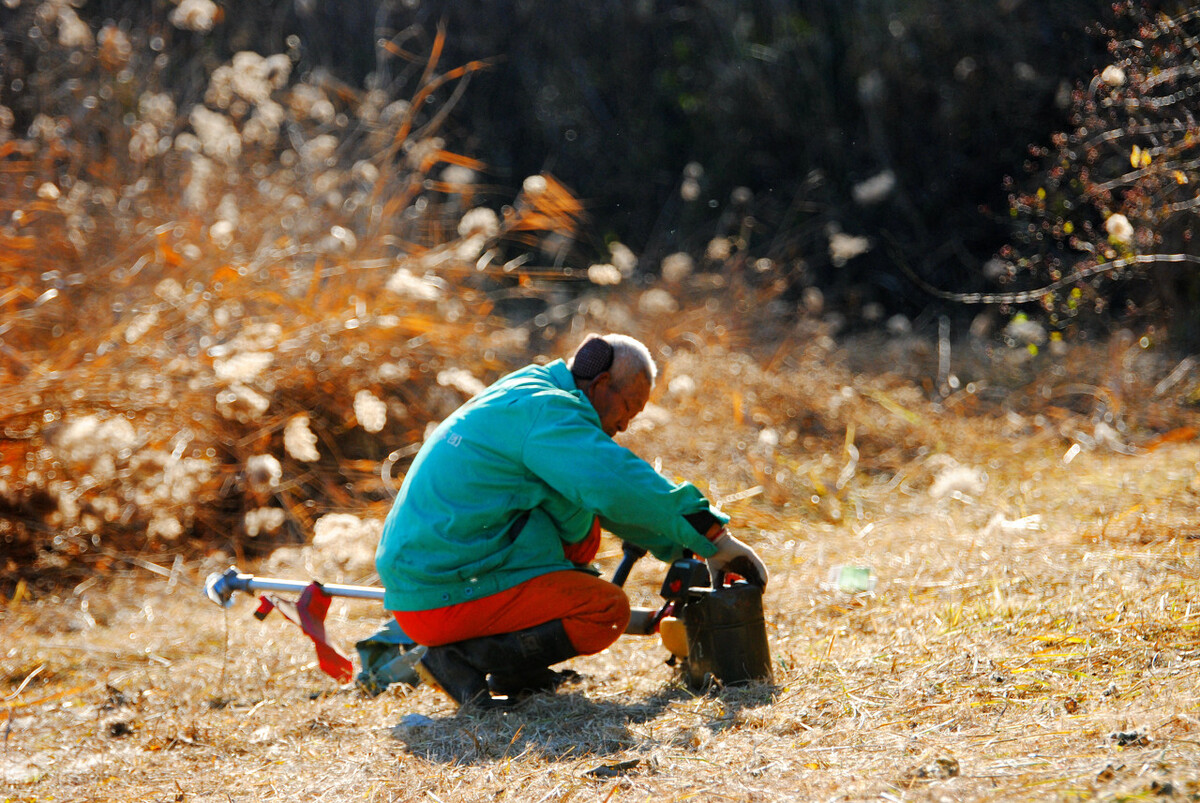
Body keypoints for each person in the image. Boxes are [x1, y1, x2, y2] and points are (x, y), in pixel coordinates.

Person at [374, 333, 768, 708]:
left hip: (432, 577)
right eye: (629, 407)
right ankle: (462, 660)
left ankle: (518, 672)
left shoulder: (532, 390)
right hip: (439, 593)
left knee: (579, 534)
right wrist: (713, 536)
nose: (626, 425)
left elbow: (603, 501)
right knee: (604, 611)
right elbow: (616, 484)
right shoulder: (548, 411)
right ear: (600, 383)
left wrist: (686, 548)